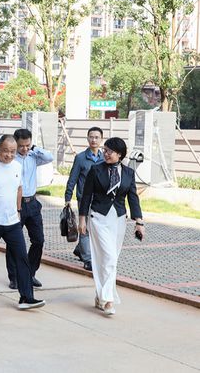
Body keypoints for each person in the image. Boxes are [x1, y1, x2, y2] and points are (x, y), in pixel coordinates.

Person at [0, 135, 46, 310]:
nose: (9, 155)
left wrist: (18, 210)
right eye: (6, 151)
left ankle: (26, 297)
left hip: (12, 221)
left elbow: (19, 188)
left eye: (13, 152)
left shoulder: (17, 166)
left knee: (21, 258)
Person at [79, 137, 143, 316]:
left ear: (120, 154)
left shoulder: (129, 173)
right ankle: (109, 300)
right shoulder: (95, 169)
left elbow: (133, 198)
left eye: (109, 151)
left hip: (118, 219)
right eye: (105, 150)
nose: (105, 153)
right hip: (98, 217)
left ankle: (100, 295)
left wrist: (139, 221)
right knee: (109, 258)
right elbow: (86, 196)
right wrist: (82, 219)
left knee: (108, 260)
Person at [5, 128, 53, 290]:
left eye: (27, 145)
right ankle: (14, 277)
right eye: (21, 146)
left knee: (38, 240)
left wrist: (34, 149)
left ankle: (30, 273)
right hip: (14, 204)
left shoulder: (34, 157)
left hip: (32, 203)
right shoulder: (11, 159)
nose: (24, 148)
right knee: (14, 243)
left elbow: (49, 157)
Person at [65, 126, 104, 271]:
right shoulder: (81, 158)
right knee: (85, 228)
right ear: (87, 138)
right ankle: (87, 259)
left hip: (99, 200)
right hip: (84, 199)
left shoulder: (104, 158)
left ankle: (79, 248)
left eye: (96, 137)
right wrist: (68, 197)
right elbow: (72, 178)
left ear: (101, 139)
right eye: (91, 137)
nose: (93, 140)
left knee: (95, 228)